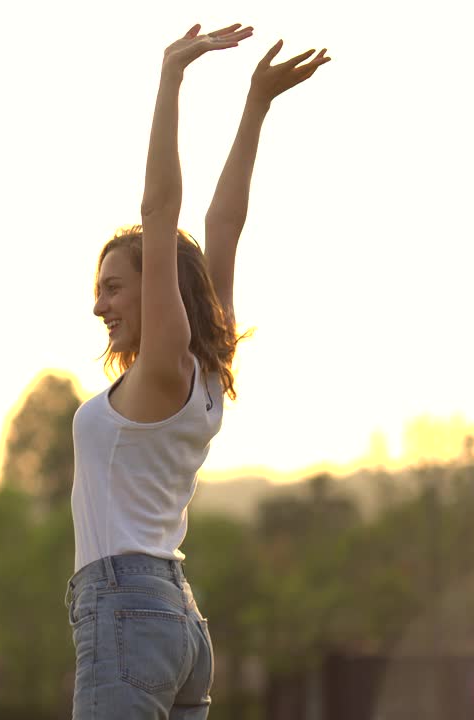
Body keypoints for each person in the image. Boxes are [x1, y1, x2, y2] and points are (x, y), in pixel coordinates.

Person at [64, 23, 331, 719]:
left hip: (125, 610)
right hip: (179, 623)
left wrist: (172, 76)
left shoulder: (164, 366)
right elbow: (224, 224)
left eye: (114, 287)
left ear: (156, 287)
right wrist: (256, 105)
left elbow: (162, 209)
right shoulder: (205, 372)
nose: (99, 305)